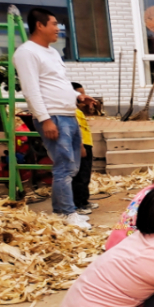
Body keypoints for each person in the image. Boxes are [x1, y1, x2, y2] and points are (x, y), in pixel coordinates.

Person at [13, 8, 97, 229]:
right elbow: (31, 90)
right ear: (39, 25)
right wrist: (44, 118)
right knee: (64, 167)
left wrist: (79, 97)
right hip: (53, 117)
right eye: (53, 24)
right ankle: (65, 213)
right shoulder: (27, 52)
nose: (58, 29)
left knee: (72, 166)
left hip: (68, 114)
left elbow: (59, 84)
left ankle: (66, 210)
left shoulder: (51, 52)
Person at [71, 82, 97, 215]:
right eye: (80, 93)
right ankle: (78, 204)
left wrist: (90, 106)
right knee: (80, 175)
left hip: (87, 143)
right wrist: (80, 145)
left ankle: (85, 201)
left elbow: (92, 113)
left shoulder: (78, 110)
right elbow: (75, 130)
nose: (83, 96)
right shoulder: (70, 112)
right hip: (80, 145)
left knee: (86, 174)